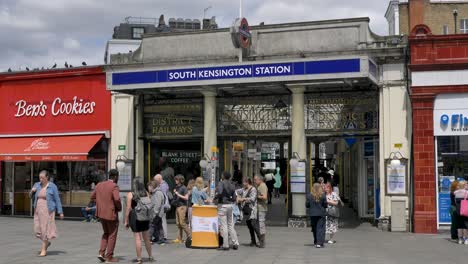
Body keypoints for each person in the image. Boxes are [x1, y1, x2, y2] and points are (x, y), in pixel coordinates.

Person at [30, 170, 64, 257]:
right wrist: (32, 191)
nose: (40, 179)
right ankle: (47, 242)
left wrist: (60, 212)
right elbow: (30, 196)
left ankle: (43, 249)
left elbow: (57, 199)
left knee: (45, 229)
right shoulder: (37, 185)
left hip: (48, 210)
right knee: (37, 229)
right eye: (39, 178)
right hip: (37, 209)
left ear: (47, 177)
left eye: (42, 178)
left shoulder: (52, 186)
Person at [91, 169, 122, 263]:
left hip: (101, 213)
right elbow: (116, 199)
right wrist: (119, 208)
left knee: (106, 233)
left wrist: (101, 203)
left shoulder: (99, 185)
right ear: (116, 177)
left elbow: (92, 196)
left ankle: (101, 253)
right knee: (112, 234)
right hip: (111, 213)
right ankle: (109, 256)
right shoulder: (114, 186)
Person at [125, 177, 154, 264]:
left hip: (135, 217)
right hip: (144, 216)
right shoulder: (146, 193)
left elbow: (128, 208)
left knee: (138, 238)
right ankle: (150, 256)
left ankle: (139, 259)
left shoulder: (131, 194)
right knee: (146, 238)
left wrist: (126, 221)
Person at [216, 171, 239, 250]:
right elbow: (235, 197)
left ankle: (225, 245)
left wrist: (215, 197)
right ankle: (235, 242)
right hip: (230, 205)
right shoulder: (232, 184)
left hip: (222, 205)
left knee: (224, 226)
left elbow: (219, 192)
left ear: (223, 176)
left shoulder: (221, 183)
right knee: (230, 225)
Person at [238, 177, 258, 247]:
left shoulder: (253, 189)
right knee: (249, 226)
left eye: (244, 182)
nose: (243, 184)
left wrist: (243, 199)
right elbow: (236, 191)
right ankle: (253, 241)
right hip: (246, 210)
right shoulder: (243, 189)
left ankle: (261, 240)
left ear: (247, 182)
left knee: (254, 225)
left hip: (252, 209)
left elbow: (252, 199)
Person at [306, 183, 328, 248]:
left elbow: (307, 205)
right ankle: (319, 243)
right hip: (321, 214)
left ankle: (316, 241)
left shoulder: (309, 195)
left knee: (314, 228)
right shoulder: (323, 195)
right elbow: (325, 205)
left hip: (312, 214)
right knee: (320, 228)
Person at [172, 174, 191, 244]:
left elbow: (186, 198)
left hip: (182, 206)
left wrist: (178, 194)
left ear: (180, 180)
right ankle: (179, 238)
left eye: (176, 179)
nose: (175, 181)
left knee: (182, 223)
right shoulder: (177, 187)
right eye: (175, 179)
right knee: (178, 223)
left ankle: (190, 235)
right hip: (177, 206)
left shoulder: (184, 188)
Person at [153, 174, 169, 243]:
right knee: (161, 221)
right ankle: (161, 236)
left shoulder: (163, 186)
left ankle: (164, 236)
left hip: (162, 206)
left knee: (162, 220)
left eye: (156, 180)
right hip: (162, 205)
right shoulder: (162, 185)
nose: (155, 181)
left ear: (159, 179)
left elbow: (163, 196)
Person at [254, 174, 268, 248]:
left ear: (260, 179)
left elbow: (265, 197)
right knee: (258, 224)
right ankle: (260, 240)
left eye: (255, 180)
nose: (254, 181)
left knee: (261, 224)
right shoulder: (260, 186)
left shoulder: (262, 186)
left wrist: (257, 196)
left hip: (262, 208)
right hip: (259, 207)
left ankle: (262, 241)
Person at [454, 181, 468, 245]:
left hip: (458, 210)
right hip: (465, 211)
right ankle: (465, 239)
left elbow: (455, 202)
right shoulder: (466, 192)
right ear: (464, 185)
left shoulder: (455, 193)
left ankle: (460, 239)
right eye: (466, 184)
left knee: (459, 225)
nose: (467, 185)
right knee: (465, 225)